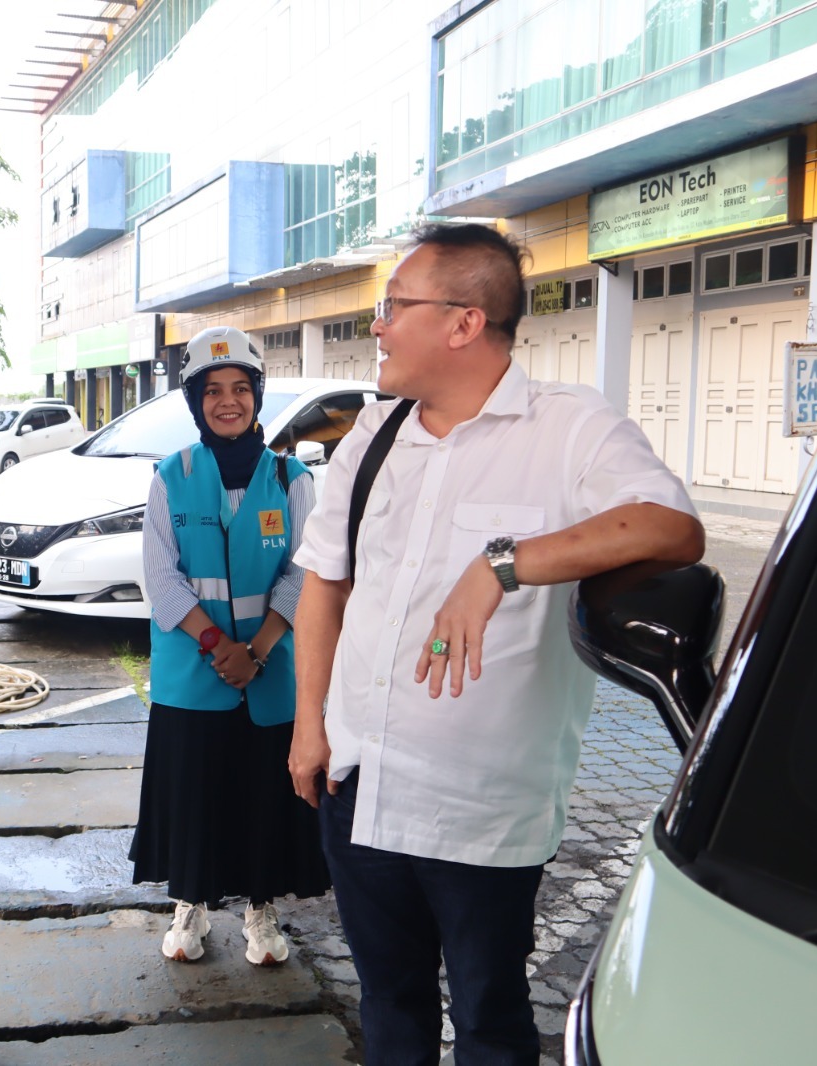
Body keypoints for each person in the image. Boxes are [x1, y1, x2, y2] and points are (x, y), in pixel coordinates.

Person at [288, 223, 705, 1066]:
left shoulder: (570, 429)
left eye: (393, 307)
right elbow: (326, 586)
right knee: (390, 1007)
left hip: (481, 807)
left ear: (463, 322)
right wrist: (308, 726)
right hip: (358, 784)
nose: (377, 325)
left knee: (489, 1017)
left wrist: (504, 564)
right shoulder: (372, 437)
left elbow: (670, 527)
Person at [130, 326, 331, 967]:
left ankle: (260, 907)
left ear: (257, 397)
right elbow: (160, 578)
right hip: (196, 676)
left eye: (240, 389)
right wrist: (220, 645)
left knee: (261, 799)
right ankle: (190, 902)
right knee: (195, 796)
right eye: (212, 390)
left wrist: (259, 650)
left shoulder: (290, 477)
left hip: (267, 678)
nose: (228, 402)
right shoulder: (171, 476)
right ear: (195, 401)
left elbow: (306, 572)